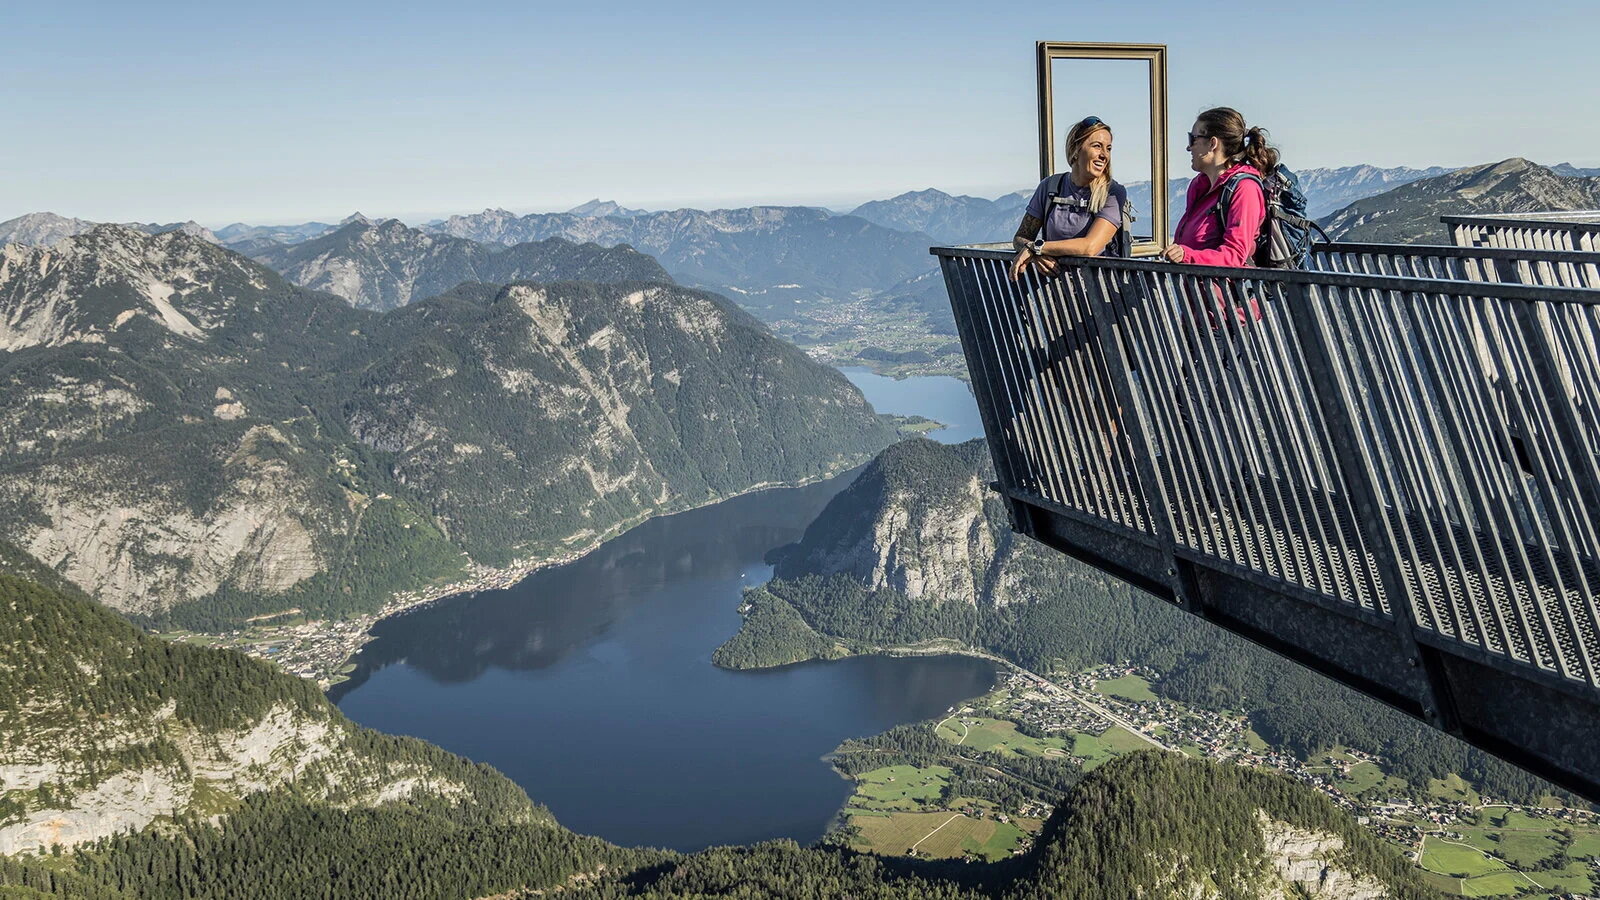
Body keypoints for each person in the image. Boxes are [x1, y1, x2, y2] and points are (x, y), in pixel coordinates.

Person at [1010, 115, 1129, 281]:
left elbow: (1090, 247)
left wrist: (1038, 248)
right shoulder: (1050, 187)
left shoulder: (1113, 193)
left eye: (1108, 148)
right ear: (1076, 149)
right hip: (1058, 292)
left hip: (1101, 294)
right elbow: (1020, 237)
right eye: (1097, 146)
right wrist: (1036, 254)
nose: (1104, 155)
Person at [1162, 107, 1276, 268]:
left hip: (1228, 292)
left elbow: (1234, 256)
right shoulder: (1199, 186)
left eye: (1192, 139)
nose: (1189, 148)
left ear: (1212, 143)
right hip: (1197, 291)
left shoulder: (1245, 189)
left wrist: (1187, 256)